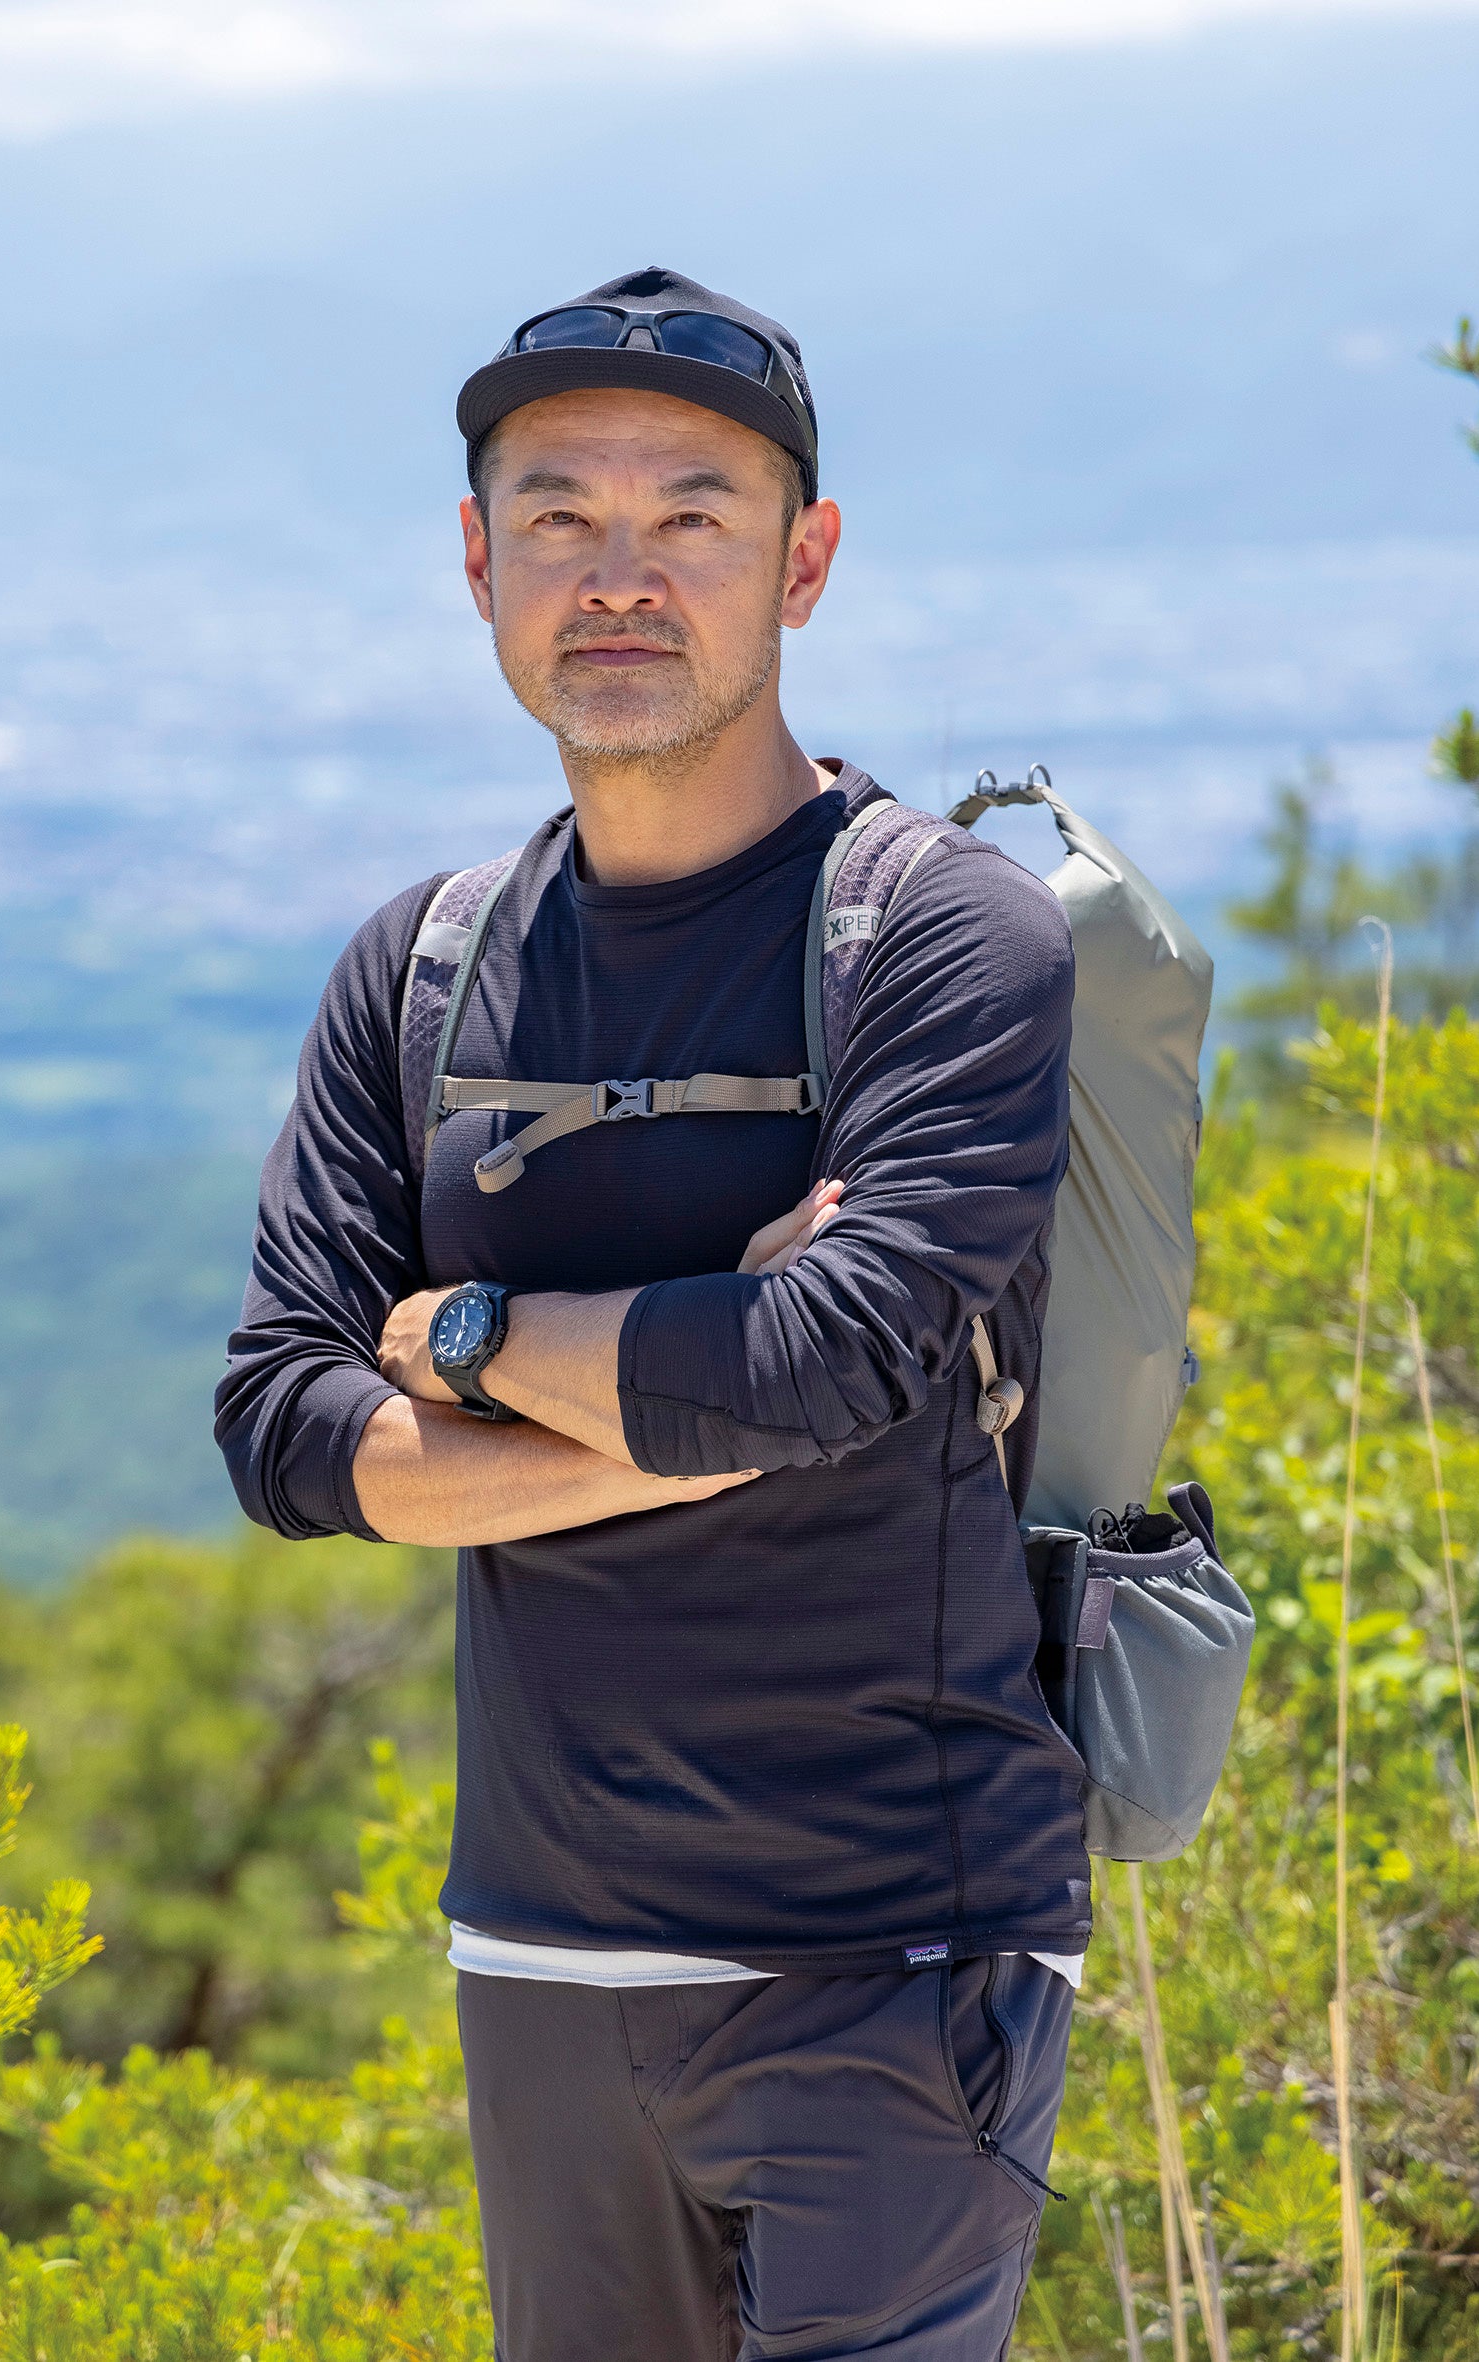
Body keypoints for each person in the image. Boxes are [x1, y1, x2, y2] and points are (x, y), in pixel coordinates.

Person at [216, 264, 1090, 2362]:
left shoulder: (936, 937)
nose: (619, 576)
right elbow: (276, 1429)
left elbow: (830, 1362)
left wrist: (454, 1335)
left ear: (802, 560)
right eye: (558, 516)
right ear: (475, 561)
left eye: (688, 515)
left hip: (892, 1944)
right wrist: (688, 1375)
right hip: (537, 1953)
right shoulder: (422, 964)